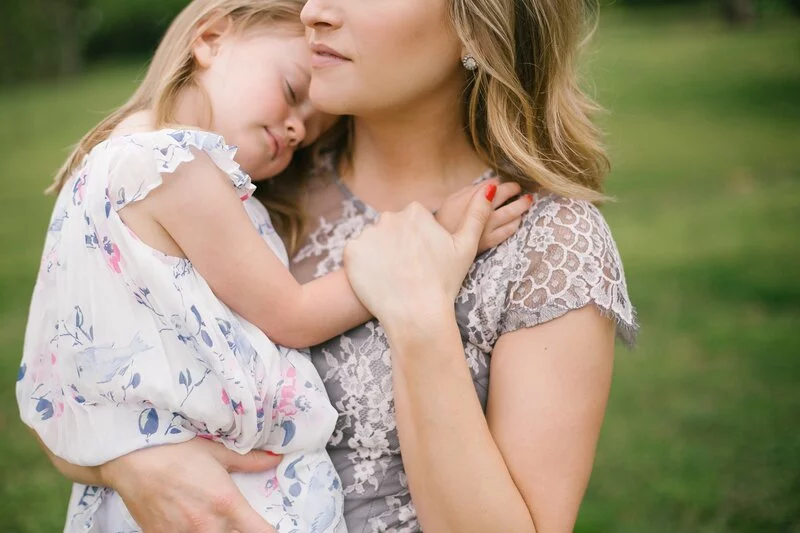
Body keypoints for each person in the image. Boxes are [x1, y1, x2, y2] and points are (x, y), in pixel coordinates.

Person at [31, 0, 638, 531]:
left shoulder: (547, 241)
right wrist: (137, 463)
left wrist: (418, 313)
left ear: (477, 26)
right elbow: (72, 388)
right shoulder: (253, 181)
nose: (314, 10)